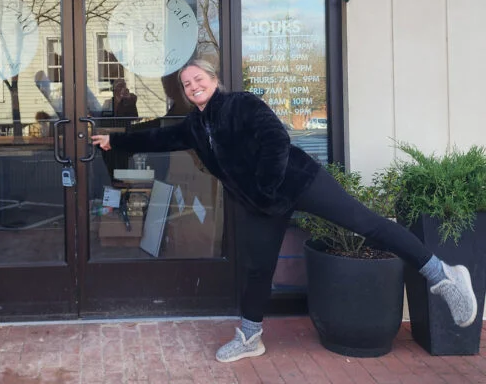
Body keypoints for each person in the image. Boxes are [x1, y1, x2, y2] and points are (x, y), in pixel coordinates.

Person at [92, 58, 478, 363]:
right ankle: (249, 336)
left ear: (214, 80)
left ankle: (442, 274)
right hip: (262, 204)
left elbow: (277, 139)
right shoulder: (195, 125)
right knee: (258, 267)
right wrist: (116, 139)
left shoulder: (240, 104)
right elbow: (158, 136)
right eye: (187, 84)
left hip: (299, 182)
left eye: (199, 79)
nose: (194, 86)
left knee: (368, 224)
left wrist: (266, 186)